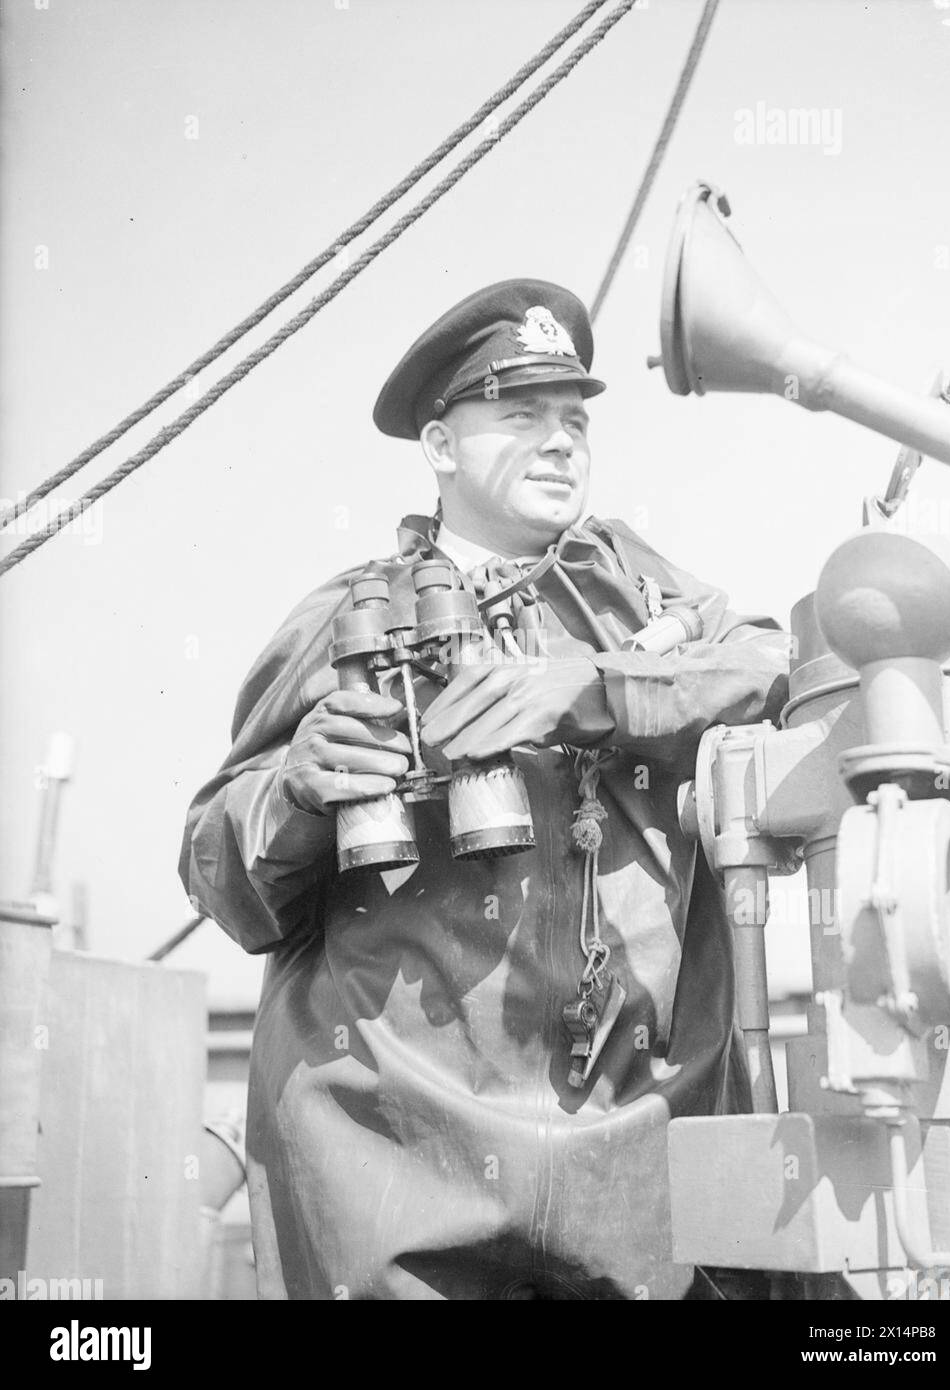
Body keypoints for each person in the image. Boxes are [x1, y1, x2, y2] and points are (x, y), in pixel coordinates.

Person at [179, 279, 789, 1300]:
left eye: (574, 420)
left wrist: (592, 690)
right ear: (438, 446)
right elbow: (214, 866)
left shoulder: (636, 594)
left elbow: (769, 667)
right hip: (402, 1159)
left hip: (638, 1151)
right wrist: (296, 791)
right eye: (520, 415)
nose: (559, 442)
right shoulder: (346, 620)